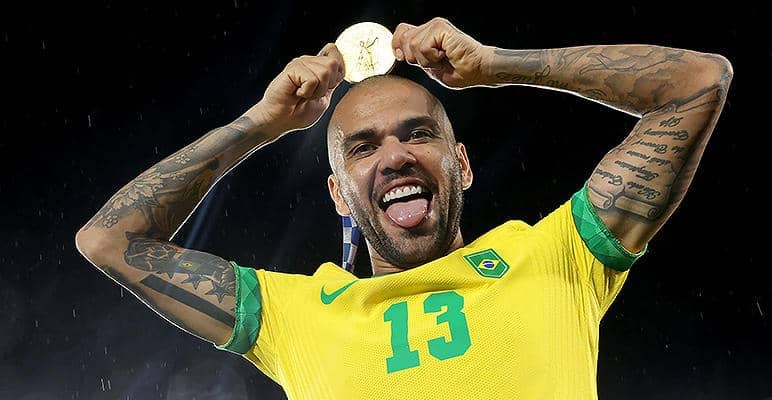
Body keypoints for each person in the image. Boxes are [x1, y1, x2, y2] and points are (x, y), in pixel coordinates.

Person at [75, 17, 732, 400]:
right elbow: (108, 240)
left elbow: (698, 82)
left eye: (418, 134)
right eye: (362, 148)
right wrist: (263, 123)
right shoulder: (293, 314)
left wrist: (498, 65)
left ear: (462, 164)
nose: (394, 156)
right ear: (339, 194)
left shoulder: (557, 256)